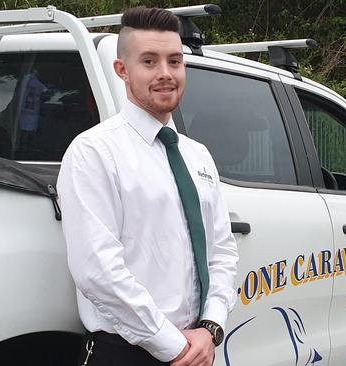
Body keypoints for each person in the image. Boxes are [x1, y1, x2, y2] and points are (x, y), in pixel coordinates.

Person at [57, 6, 239, 366]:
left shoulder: (197, 155)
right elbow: (97, 270)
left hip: (198, 348)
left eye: (175, 61)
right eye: (149, 62)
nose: (166, 74)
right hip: (129, 352)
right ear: (122, 70)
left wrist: (210, 327)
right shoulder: (95, 151)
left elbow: (222, 251)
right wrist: (172, 345)